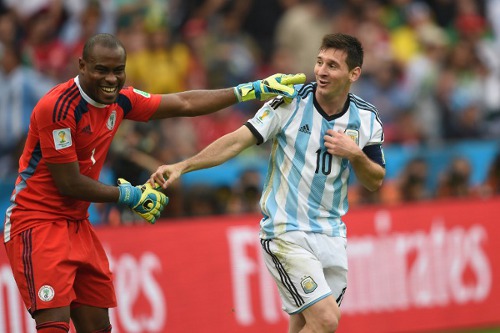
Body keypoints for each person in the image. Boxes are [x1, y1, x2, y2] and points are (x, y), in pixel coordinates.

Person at [2, 32, 305, 333]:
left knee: (97, 328)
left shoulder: (121, 100)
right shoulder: (57, 107)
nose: (111, 79)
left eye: (117, 70)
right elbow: (69, 183)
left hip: (77, 224)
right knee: (53, 326)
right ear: (82, 66)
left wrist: (250, 90)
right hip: (37, 222)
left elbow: (184, 102)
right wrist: (129, 196)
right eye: (101, 70)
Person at [150, 33, 386, 333]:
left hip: (332, 234)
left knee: (304, 323)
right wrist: (183, 165)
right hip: (286, 232)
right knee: (326, 320)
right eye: (319, 62)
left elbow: (374, 180)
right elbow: (236, 141)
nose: (322, 71)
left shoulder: (366, 118)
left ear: (354, 74)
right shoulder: (289, 103)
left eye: (333, 66)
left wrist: (355, 155)